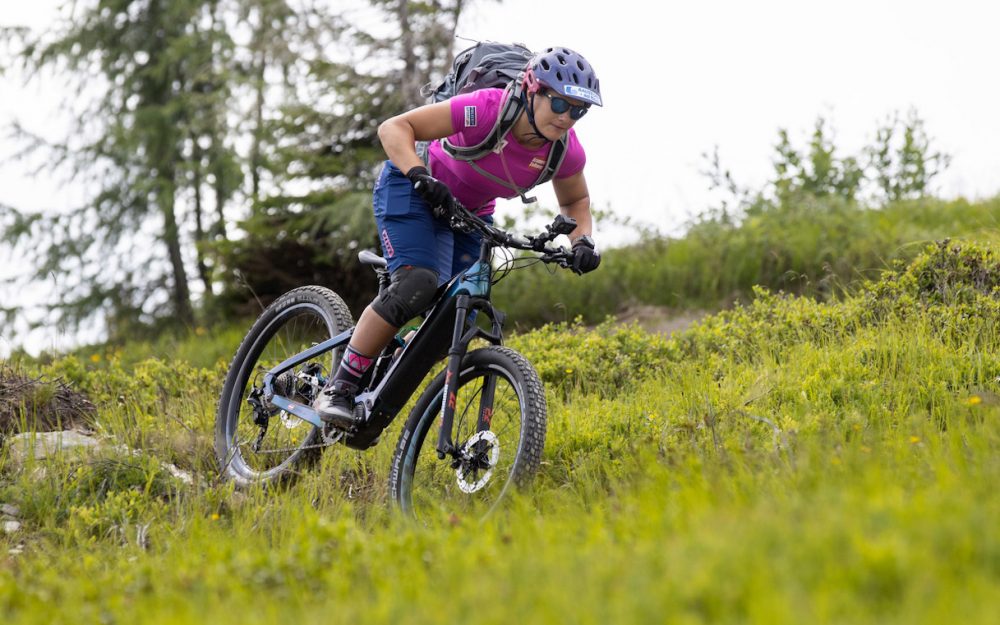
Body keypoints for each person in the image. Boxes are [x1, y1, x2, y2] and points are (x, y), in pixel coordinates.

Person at [313, 46, 603, 428]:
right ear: (533, 89)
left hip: (470, 215)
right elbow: (395, 128)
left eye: (578, 111)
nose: (568, 118)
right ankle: (340, 387)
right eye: (560, 105)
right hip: (413, 188)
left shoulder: (564, 151)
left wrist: (581, 242)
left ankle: (380, 367)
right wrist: (420, 174)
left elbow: (576, 200)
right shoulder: (485, 109)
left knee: (456, 315)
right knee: (416, 283)